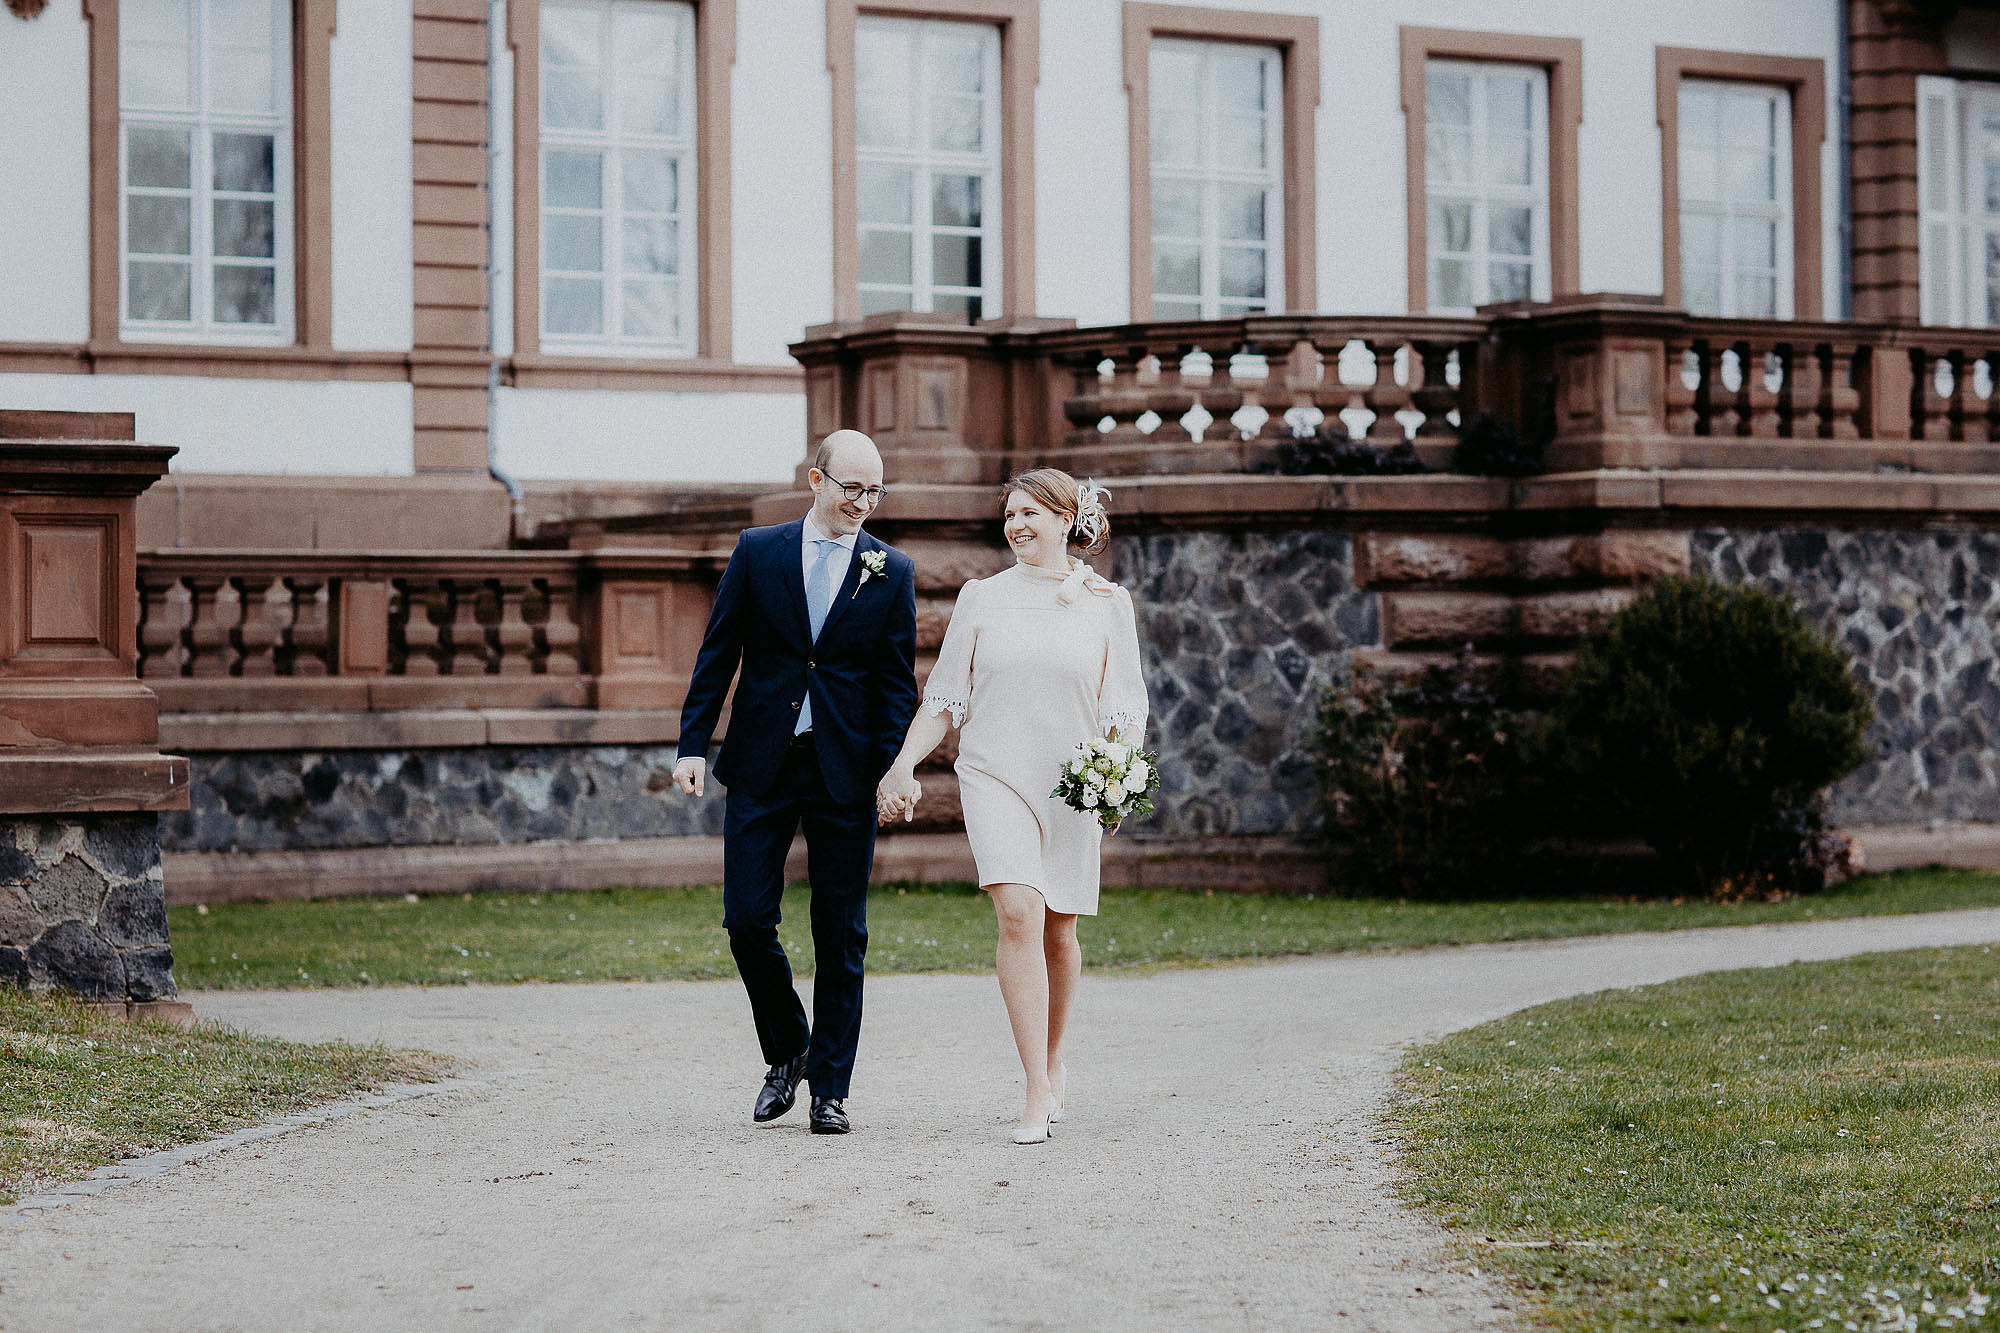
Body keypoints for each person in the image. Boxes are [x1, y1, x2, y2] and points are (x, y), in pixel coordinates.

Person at [875, 468, 1148, 1144]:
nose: (1017, 524)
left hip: (1073, 784)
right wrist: (903, 762)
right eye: (1009, 515)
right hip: (994, 774)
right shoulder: (981, 597)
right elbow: (943, 698)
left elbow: (1126, 707)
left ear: (1066, 519)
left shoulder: (1107, 601)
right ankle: (1033, 1088)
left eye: (1030, 512)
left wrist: (1118, 776)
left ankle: (1055, 1061)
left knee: (1059, 929)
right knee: (1020, 912)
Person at [673, 429, 918, 1136]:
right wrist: (693, 743)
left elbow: (895, 686)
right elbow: (718, 652)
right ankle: (788, 1049)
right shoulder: (759, 551)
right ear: (816, 480)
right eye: (851, 488)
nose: (863, 504)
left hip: (846, 767)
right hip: (762, 760)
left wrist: (889, 765)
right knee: (746, 920)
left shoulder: (890, 569)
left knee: (841, 932)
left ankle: (830, 1089)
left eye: (874, 492)